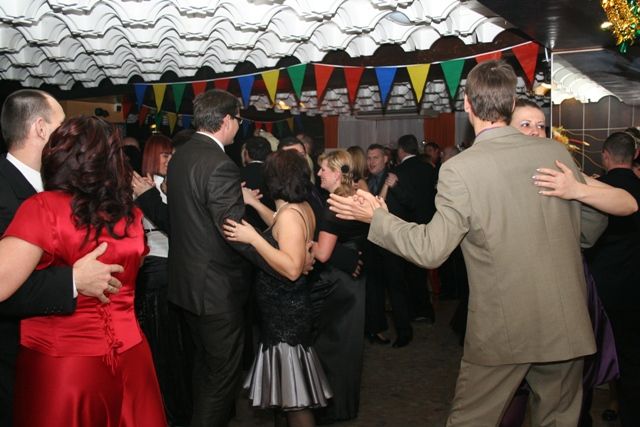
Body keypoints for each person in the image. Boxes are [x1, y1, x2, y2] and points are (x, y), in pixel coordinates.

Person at [328, 60, 607, 427]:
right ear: (511, 105)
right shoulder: (554, 153)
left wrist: (376, 218)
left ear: (468, 105)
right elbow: (592, 226)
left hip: (504, 328)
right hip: (565, 320)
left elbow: (431, 249)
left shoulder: (461, 168)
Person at [0, 116, 166, 426]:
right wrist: (72, 279)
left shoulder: (43, 208)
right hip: (132, 357)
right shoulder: (130, 215)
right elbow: (136, 267)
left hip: (65, 365)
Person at [0, 89, 124, 427]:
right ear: (41, 129)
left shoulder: (60, 187)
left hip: (57, 354)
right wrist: (71, 280)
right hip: (10, 352)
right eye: (62, 124)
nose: (70, 133)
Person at [167, 89, 289, 427]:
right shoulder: (220, 165)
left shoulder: (181, 156)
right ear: (225, 121)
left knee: (204, 369)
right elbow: (234, 232)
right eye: (238, 119)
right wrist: (281, 261)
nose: (240, 126)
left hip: (187, 286)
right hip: (215, 291)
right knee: (221, 379)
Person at [223, 149, 332, 427]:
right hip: (286, 309)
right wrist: (254, 204)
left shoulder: (290, 215)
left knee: (295, 400)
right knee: (290, 394)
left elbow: (293, 269)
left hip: (286, 313)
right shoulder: (297, 207)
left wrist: (253, 238)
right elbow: (281, 226)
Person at [132, 134, 193, 426]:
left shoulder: (175, 185)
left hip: (179, 270)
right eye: (165, 156)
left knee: (181, 348)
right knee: (164, 347)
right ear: (152, 157)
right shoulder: (142, 187)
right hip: (156, 271)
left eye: (173, 156)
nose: (170, 161)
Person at [583, 132, 640, 427]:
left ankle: (582, 418)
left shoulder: (595, 191)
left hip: (599, 288)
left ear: (605, 155)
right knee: (633, 358)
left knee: (589, 359)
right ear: (635, 155)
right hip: (635, 288)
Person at [312, 149, 368, 423]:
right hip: (353, 280)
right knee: (347, 346)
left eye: (323, 169)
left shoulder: (334, 205)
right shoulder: (355, 198)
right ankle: (344, 406)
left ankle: (332, 408)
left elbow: (322, 254)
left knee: (331, 347)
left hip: (336, 283)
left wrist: (301, 240)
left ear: (336, 173)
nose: (318, 173)